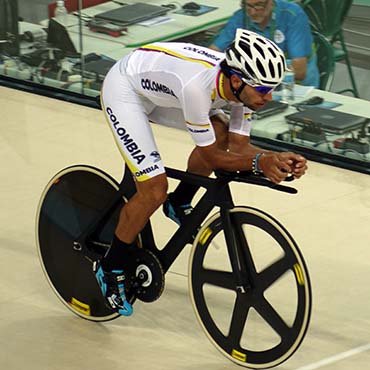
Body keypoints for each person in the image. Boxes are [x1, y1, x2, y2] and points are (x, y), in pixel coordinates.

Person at [95, 29, 307, 316]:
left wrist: (277, 158)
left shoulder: (242, 89)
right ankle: (109, 267)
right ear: (235, 80)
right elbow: (213, 158)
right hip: (126, 91)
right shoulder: (197, 88)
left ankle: (179, 201)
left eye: (272, 89)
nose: (267, 97)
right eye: (261, 90)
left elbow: (238, 146)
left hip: (162, 92)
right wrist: (261, 163)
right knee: (154, 190)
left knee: (219, 131)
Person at [209, 0, 319, 87]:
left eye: (259, 5)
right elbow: (212, 53)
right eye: (248, 5)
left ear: (271, 2)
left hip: (295, 87)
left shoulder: (292, 16)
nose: (252, 12)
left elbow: (299, 72)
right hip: (256, 84)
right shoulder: (241, 17)